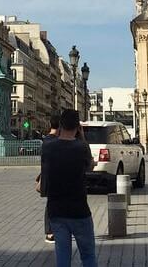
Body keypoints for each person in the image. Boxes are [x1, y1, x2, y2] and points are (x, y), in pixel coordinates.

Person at [40, 109, 97, 267]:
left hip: (56, 210)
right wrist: (83, 138)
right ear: (78, 127)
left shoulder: (48, 147)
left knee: (63, 256)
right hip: (79, 210)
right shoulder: (81, 147)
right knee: (88, 255)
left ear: (60, 125)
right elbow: (90, 166)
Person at [37, 113, 62, 244]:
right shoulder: (54, 142)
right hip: (53, 179)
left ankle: (52, 231)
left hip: (49, 178)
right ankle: (50, 232)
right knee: (52, 206)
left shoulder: (46, 140)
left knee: (52, 205)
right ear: (60, 127)